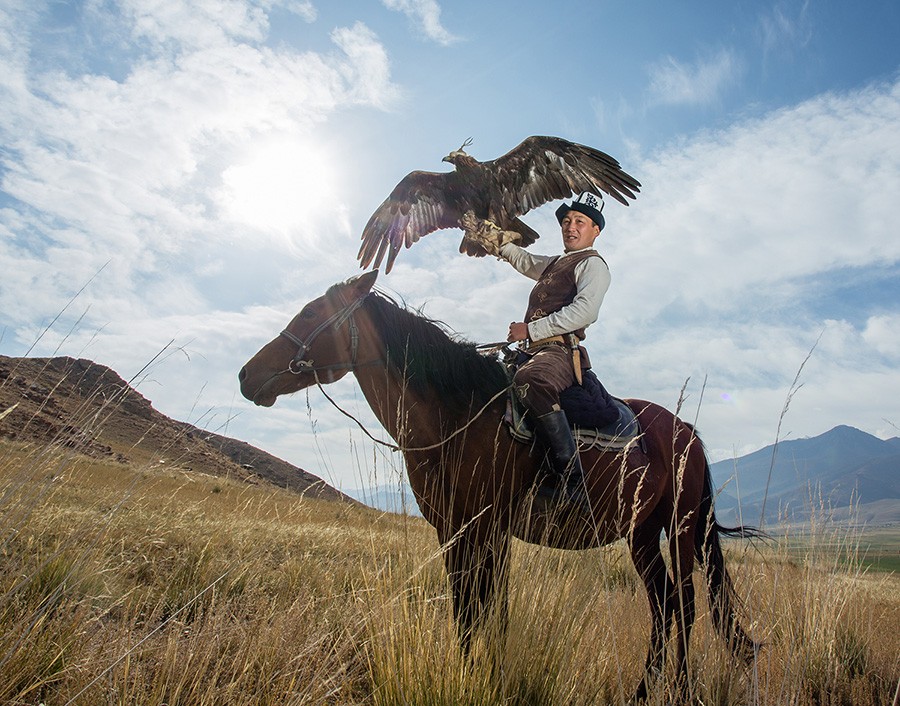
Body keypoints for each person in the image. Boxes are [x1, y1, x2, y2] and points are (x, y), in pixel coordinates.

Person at [461, 192, 610, 508]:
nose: (570, 227)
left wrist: (531, 330)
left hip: (560, 352)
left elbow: (585, 311)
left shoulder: (593, 265)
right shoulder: (556, 263)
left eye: (580, 222)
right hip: (531, 350)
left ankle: (572, 480)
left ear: (595, 230)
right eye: (566, 221)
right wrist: (496, 241)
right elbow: (526, 261)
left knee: (532, 380)